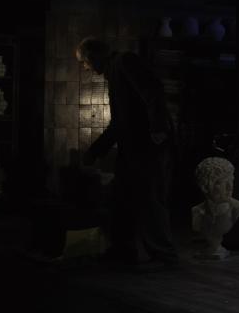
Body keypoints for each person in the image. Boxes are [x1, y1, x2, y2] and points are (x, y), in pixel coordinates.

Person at [76, 37, 179, 267]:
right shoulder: (114, 72)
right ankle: (123, 250)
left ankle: (164, 255)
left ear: (92, 56)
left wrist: (158, 128)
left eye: (84, 62)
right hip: (133, 147)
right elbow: (119, 123)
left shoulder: (124, 61)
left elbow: (153, 90)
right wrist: (96, 150)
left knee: (150, 198)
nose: (86, 68)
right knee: (121, 196)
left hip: (148, 146)